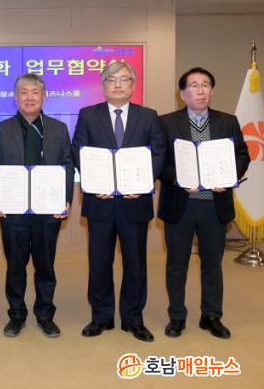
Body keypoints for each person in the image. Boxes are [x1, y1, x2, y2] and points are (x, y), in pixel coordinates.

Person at [72, 62, 165, 342]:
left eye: (124, 79)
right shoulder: (88, 114)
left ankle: (133, 319)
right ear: (103, 86)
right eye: (111, 79)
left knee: (135, 263)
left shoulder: (148, 116)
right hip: (99, 202)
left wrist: (144, 183)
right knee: (99, 262)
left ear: (133, 85)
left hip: (134, 202)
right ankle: (101, 317)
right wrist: (93, 182)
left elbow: (158, 153)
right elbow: (78, 150)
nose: (118, 84)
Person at [158, 67, 250, 339]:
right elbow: (159, 161)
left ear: (212, 91)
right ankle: (177, 316)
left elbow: (242, 155)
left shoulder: (227, 121)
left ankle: (211, 316)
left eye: (206, 85)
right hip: (180, 204)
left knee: (212, 263)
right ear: (182, 93)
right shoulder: (166, 123)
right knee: (177, 264)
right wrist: (178, 179)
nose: (200, 90)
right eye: (194, 85)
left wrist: (229, 176)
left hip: (214, 204)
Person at [0, 73, 74, 338]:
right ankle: (16, 315)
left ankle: (45, 315)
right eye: (23, 92)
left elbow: (68, 165)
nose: (29, 97)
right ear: (16, 97)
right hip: (12, 211)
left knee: (45, 267)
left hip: (48, 210)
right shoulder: (2, 129)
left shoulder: (58, 128)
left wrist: (65, 199)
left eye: (35, 92)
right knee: (15, 266)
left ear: (43, 96)